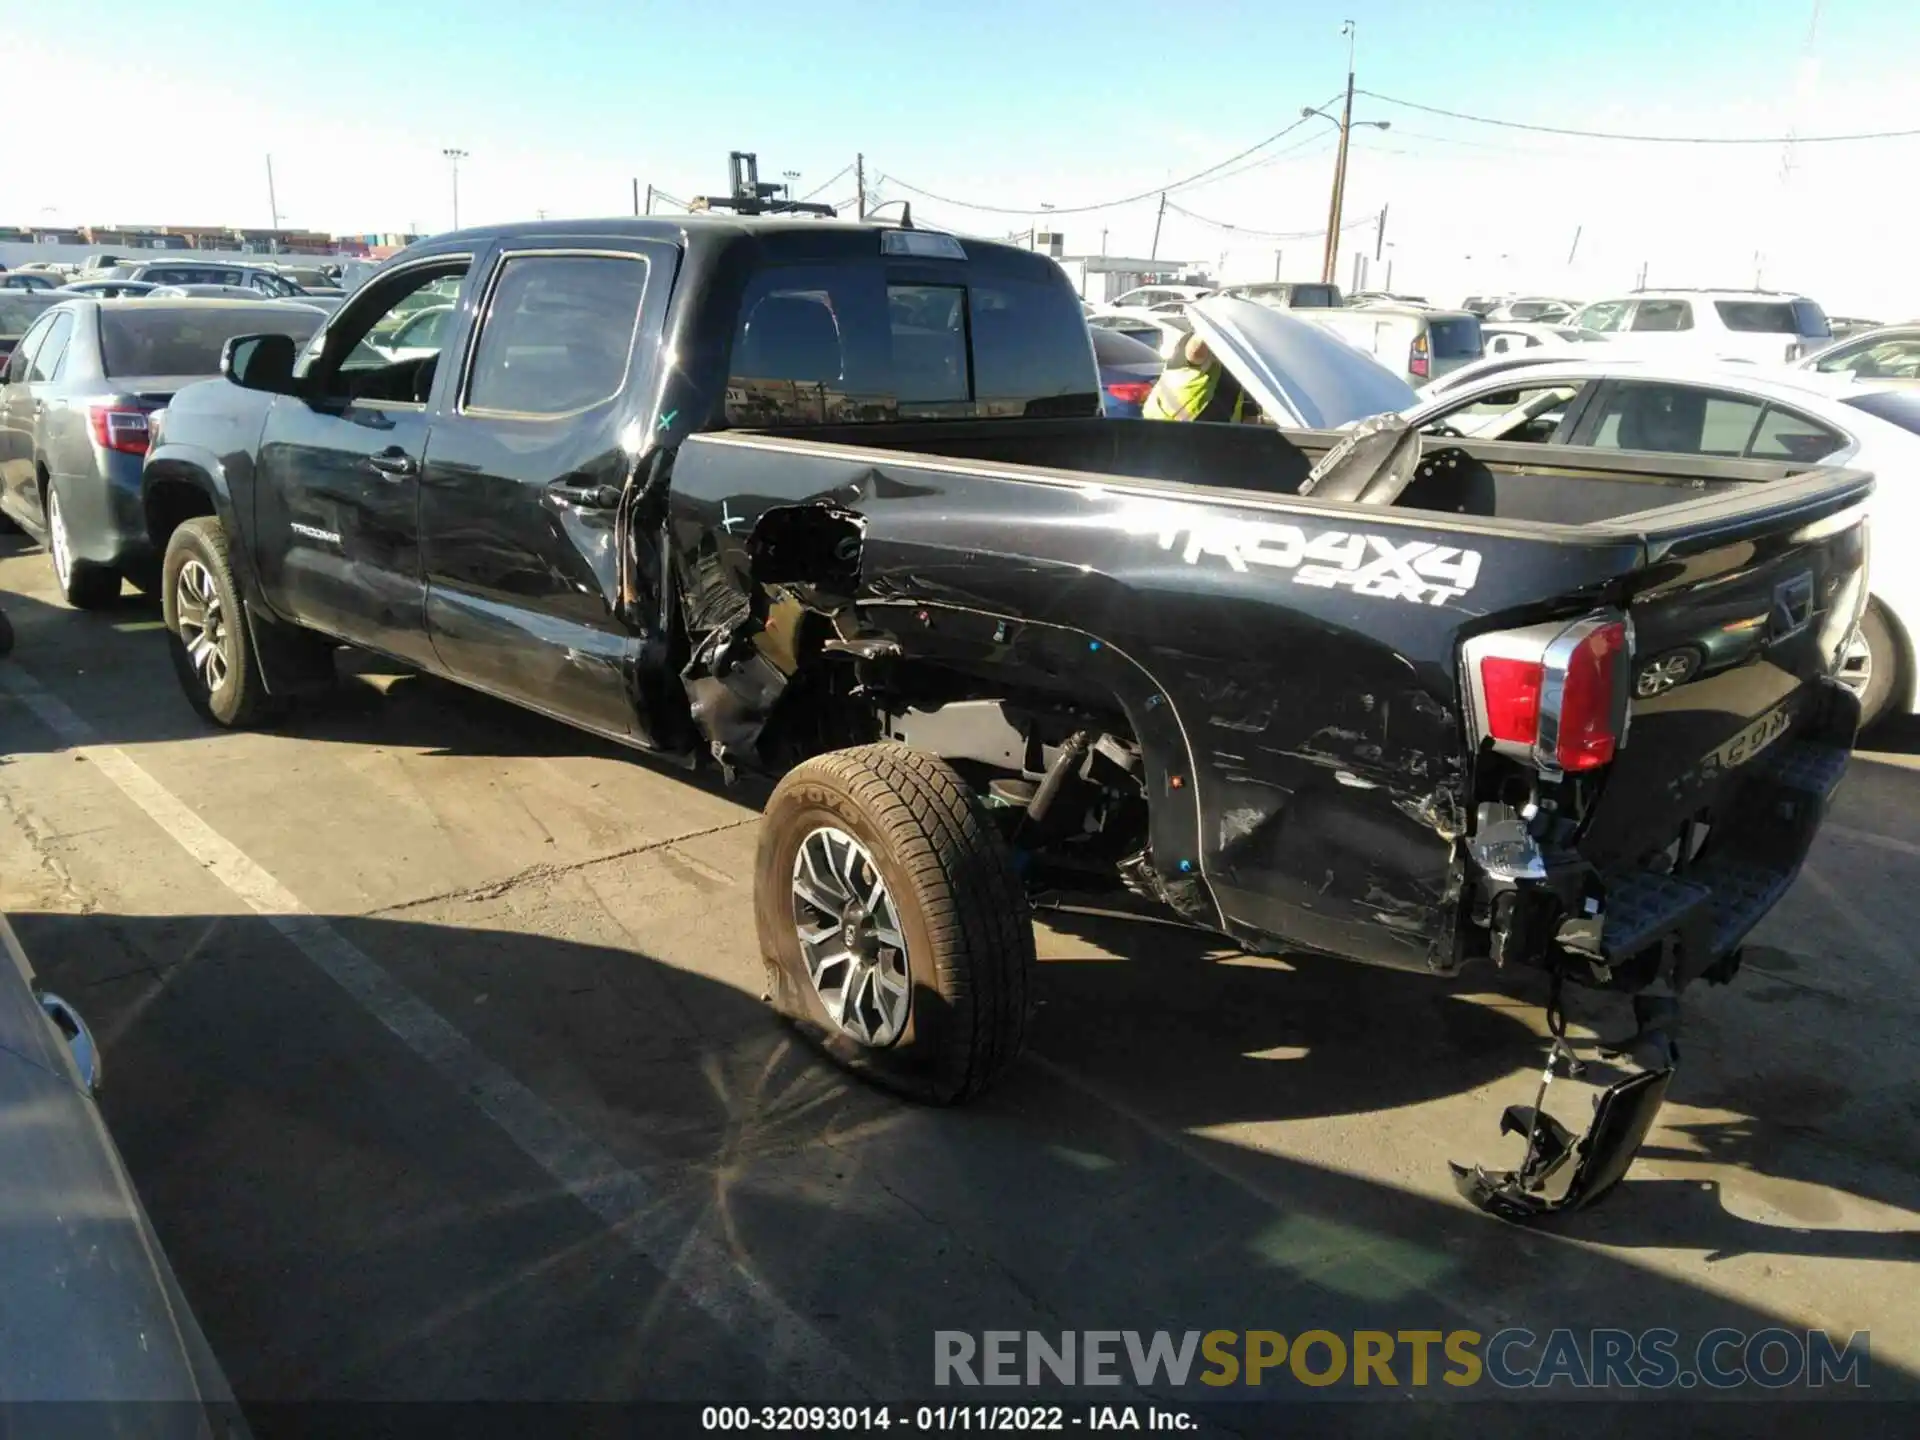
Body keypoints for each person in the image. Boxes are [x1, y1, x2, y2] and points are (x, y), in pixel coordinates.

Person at [1142, 334, 1247, 423]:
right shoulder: (1191, 348)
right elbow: (1195, 352)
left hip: (1210, 439)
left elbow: (1249, 417)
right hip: (1167, 429)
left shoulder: (1243, 371)